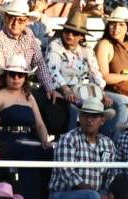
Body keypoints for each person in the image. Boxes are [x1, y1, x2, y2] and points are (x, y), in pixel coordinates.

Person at [48, 97, 116, 199]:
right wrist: (97, 193)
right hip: (63, 196)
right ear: (80, 117)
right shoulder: (68, 139)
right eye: (85, 115)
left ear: (102, 120)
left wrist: (109, 191)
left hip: (94, 197)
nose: (89, 119)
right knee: (91, 198)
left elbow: (112, 172)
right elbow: (67, 172)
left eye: (94, 116)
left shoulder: (108, 144)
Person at [0, 53, 52, 199]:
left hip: (29, 139)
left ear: (25, 78)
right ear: (6, 76)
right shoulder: (0, 95)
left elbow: (40, 124)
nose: (16, 78)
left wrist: (45, 141)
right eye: (12, 74)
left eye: (20, 75)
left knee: (49, 153)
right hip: (7, 140)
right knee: (30, 153)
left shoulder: (29, 96)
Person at [46, 7, 110, 135]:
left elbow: (95, 73)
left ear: (81, 36)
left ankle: (102, 141)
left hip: (81, 90)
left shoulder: (86, 50)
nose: (70, 35)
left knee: (109, 105)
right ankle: (70, 143)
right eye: (67, 31)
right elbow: (52, 71)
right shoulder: (55, 45)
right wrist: (65, 89)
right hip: (60, 88)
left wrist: (102, 92)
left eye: (75, 33)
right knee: (75, 109)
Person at [0, 0, 59, 103]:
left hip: (24, 87)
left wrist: (49, 88)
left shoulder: (29, 34)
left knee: (55, 103)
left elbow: (39, 63)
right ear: (5, 18)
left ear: (27, 21)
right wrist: (16, 91)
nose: (15, 23)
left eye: (21, 20)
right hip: (2, 90)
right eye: (11, 18)